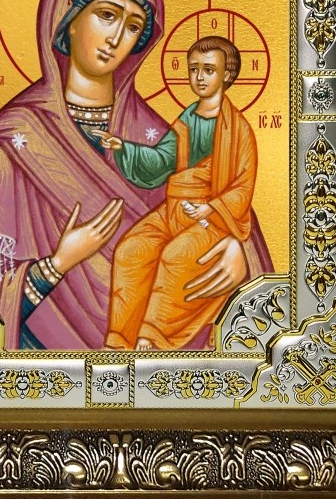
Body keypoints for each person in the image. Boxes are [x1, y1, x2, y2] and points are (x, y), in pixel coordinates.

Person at [0, 0, 271, 350]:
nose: (117, 37)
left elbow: (229, 202)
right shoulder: (9, 145)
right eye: (106, 15)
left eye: (134, 26)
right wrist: (57, 264)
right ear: (67, 18)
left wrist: (237, 254)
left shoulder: (164, 134)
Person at [95, 36, 265, 351]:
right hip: (174, 209)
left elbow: (243, 184)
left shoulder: (238, 130)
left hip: (212, 218)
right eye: (193, 69)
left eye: (208, 70)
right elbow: (163, 160)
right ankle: (120, 340)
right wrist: (125, 148)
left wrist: (211, 208)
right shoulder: (186, 120)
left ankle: (152, 337)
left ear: (227, 74)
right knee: (131, 250)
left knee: (176, 256)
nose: (199, 77)